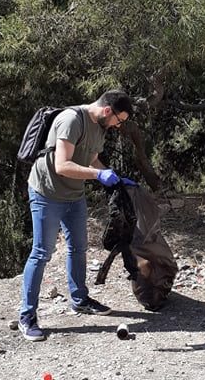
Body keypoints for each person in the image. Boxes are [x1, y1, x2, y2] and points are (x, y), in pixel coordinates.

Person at [19, 90, 137, 341]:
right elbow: (62, 165)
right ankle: (27, 316)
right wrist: (98, 176)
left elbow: (93, 158)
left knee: (78, 248)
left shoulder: (100, 127)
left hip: (74, 195)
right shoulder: (72, 120)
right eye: (119, 120)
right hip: (46, 192)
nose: (118, 126)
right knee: (42, 252)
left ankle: (80, 299)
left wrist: (112, 177)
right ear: (108, 110)